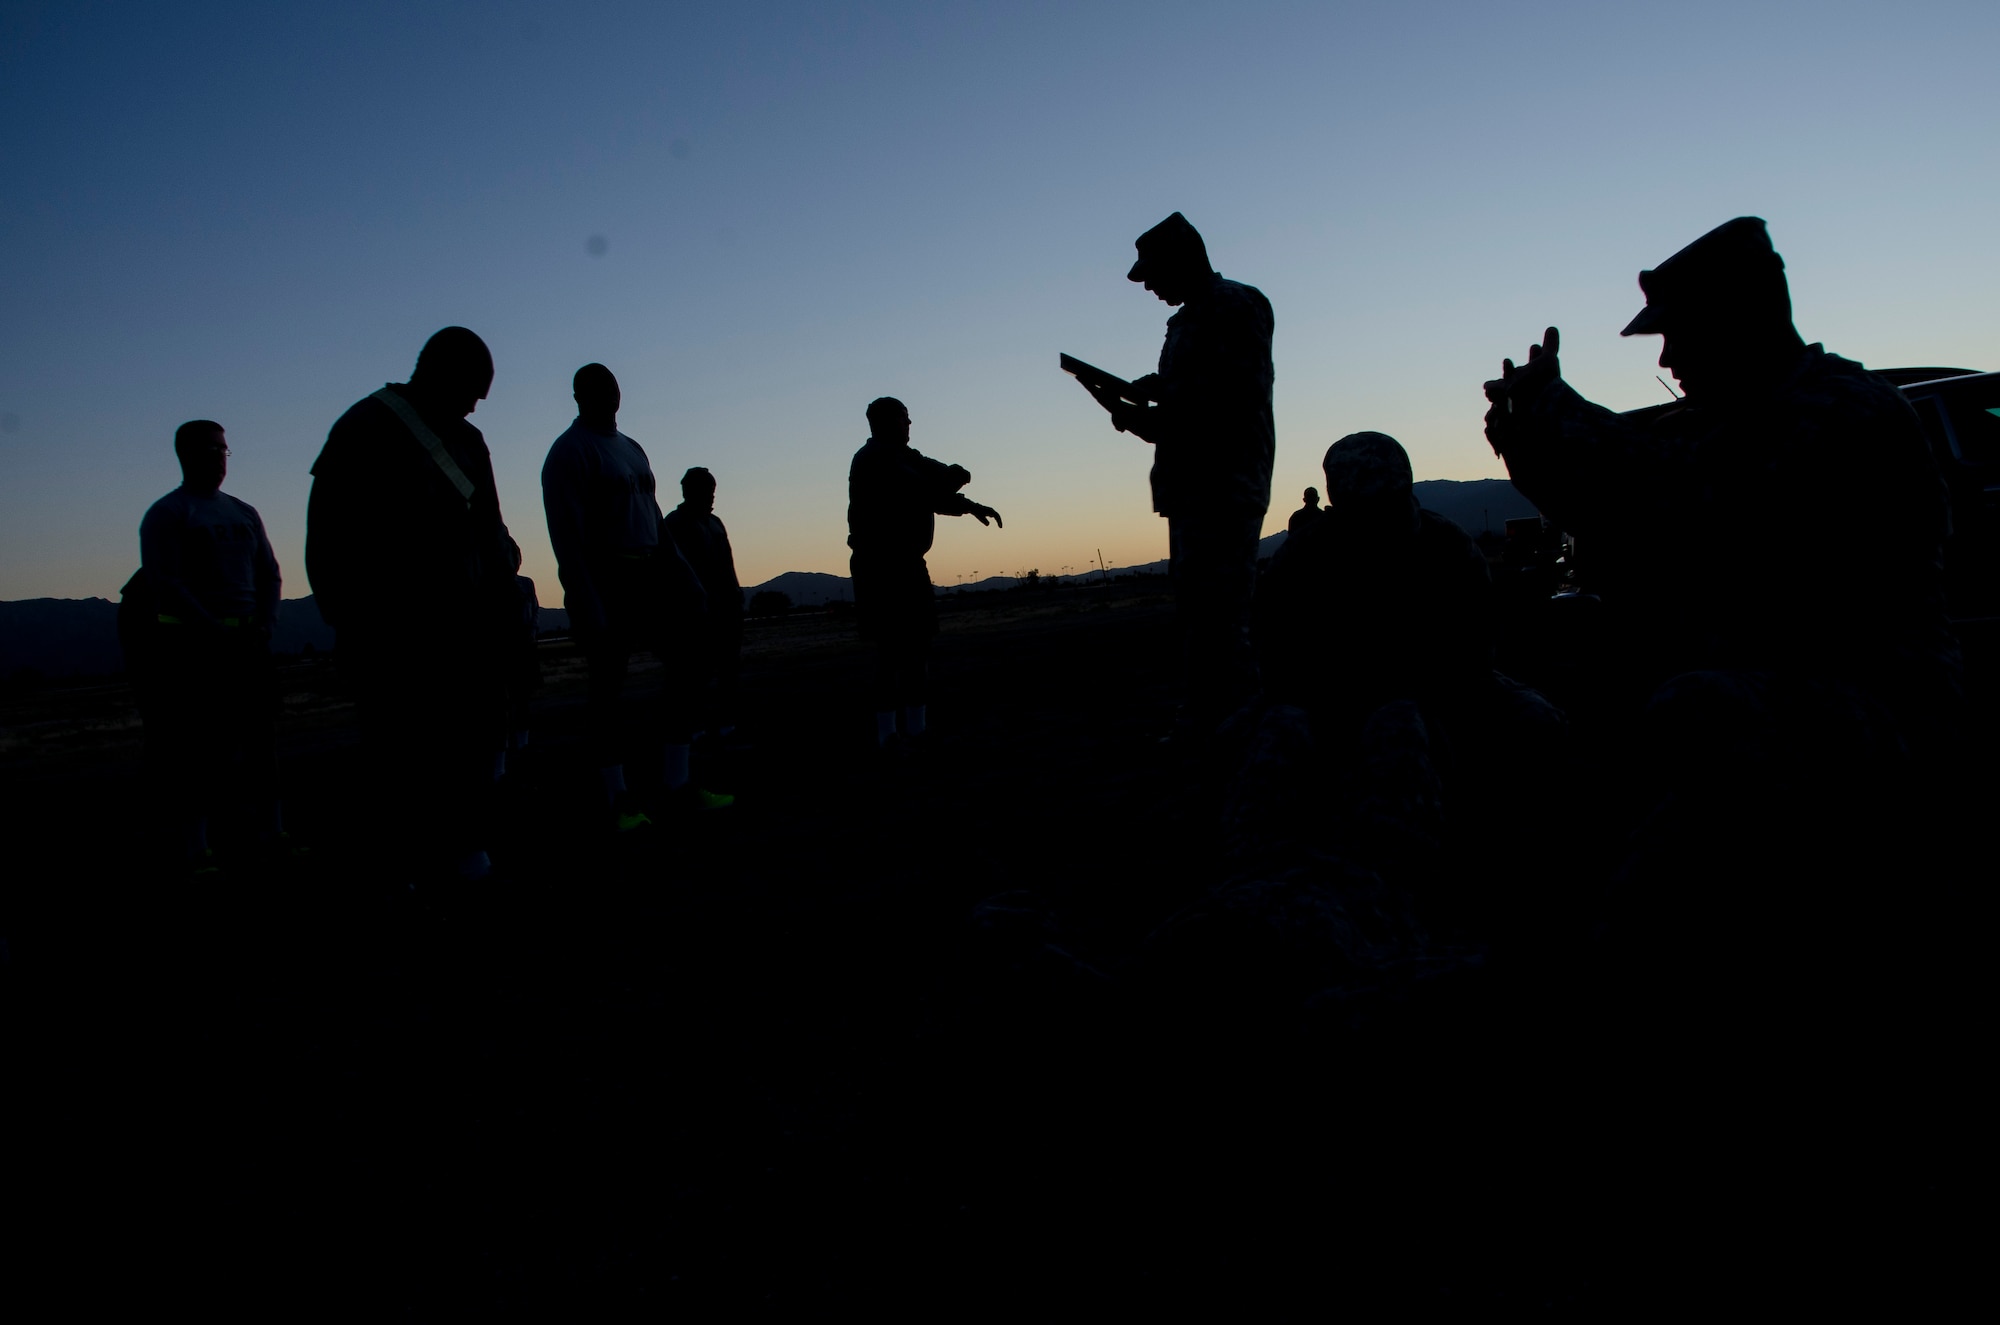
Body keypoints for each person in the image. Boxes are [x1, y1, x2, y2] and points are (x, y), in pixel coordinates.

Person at [1480, 217, 1960, 1009]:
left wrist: (1552, 416)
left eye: (1679, 334)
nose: (1668, 360)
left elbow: (1667, 493)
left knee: (1691, 716)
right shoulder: (1746, 416)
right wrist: (1531, 438)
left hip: (1877, 717)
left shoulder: (1836, 413)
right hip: (1780, 701)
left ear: (1739, 319)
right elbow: (1627, 518)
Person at [306, 327, 527, 880]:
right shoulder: (363, 427)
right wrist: (350, 625)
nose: (479, 403)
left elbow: (490, 529)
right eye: (475, 389)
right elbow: (326, 539)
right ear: (441, 372)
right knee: (399, 754)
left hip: (467, 631)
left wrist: (502, 606)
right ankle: (401, 867)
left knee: (470, 746)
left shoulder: (470, 442)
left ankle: (465, 854)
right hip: (391, 636)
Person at [1074, 212, 1275, 738]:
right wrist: (1149, 402)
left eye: (1154, 275)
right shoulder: (1191, 318)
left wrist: (1157, 403)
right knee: (1200, 617)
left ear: (1182, 261)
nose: (1151, 288)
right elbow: (1195, 400)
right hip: (1194, 486)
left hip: (1223, 485)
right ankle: (1210, 723)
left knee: (1222, 619)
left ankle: (1243, 731)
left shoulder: (1233, 304)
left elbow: (1233, 396)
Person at [543, 364, 730, 827]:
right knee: (607, 687)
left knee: (689, 665)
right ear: (577, 397)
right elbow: (565, 535)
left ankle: (677, 781)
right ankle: (617, 797)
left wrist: (686, 577)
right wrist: (584, 597)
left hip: (650, 575)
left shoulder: (632, 449)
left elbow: (653, 519)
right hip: (606, 577)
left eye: (610, 387)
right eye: (594, 390)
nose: (607, 396)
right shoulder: (570, 453)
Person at [135, 420, 284, 871]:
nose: (220, 458)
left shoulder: (243, 512)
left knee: (262, 747)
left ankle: (273, 835)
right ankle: (196, 850)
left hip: (249, 643)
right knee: (198, 753)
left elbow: (269, 572)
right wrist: (214, 631)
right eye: (211, 449)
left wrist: (265, 623)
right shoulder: (169, 514)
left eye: (224, 449)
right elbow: (168, 583)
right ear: (185, 455)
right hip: (195, 650)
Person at [846, 396, 1002, 749]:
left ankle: (916, 729)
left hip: (908, 564)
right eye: (904, 419)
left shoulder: (907, 457)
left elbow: (937, 486)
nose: (910, 425)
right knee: (891, 651)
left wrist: (968, 502)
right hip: (880, 567)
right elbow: (925, 489)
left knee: (917, 648)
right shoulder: (871, 460)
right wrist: (954, 485)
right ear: (883, 423)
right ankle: (888, 734)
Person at [664, 467, 744, 739]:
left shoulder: (715, 523)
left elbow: (728, 562)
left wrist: (735, 593)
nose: (711, 498)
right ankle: (693, 727)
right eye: (707, 492)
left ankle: (725, 723)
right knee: (693, 673)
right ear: (690, 492)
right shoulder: (674, 524)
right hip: (693, 612)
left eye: (712, 492)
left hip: (724, 607)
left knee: (727, 668)